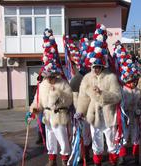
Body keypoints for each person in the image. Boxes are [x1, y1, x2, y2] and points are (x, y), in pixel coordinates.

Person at [26, 28, 73, 166]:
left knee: (63, 140)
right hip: (47, 116)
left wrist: (57, 94)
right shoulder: (42, 85)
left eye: (53, 75)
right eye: (49, 76)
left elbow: (69, 99)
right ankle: (51, 160)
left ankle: (65, 160)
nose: (51, 78)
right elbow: (37, 100)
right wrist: (34, 110)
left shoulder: (63, 83)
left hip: (60, 115)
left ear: (56, 74)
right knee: (50, 140)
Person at [76, 24, 121, 166]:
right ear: (91, 66)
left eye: (99, 67)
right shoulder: (87, 79)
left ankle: (114, 162)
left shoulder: (111, 77)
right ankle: (97, 163)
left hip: (108, 115)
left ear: (103, 66)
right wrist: (80, 112)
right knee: (97, 144)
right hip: (93, 116)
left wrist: (103, 95)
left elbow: (117, 96)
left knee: (111, 142)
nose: (96, 69)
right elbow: (83, 98)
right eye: (94, 67)